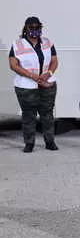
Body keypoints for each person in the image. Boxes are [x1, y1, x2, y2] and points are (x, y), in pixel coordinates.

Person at [8, 16, 59, 153]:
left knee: (47, 114)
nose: (35, 30)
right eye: (32, 27)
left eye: (37, 27)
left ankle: (50, 142)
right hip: (26, 87)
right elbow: (13, 65)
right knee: (28, 115)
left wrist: (48, 73)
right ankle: (29, 143)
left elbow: (54, 61)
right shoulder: (17, 44)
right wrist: (32, 76)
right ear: (26, 29)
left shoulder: (47, 42)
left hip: (47, 85)